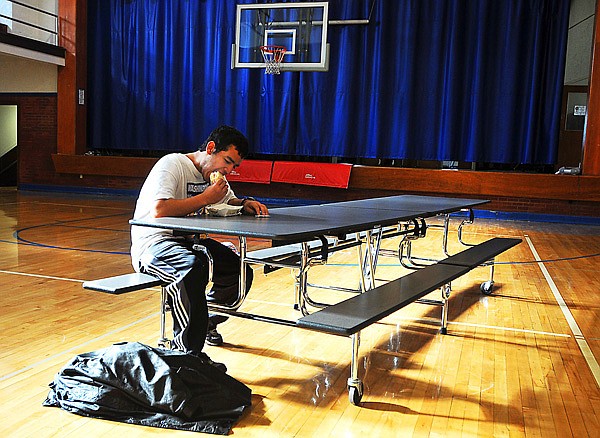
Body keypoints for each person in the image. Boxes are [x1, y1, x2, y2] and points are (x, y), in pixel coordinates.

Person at [130, 125, 269, 371]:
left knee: (239, 271)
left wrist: (244, 202)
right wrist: (206, 198)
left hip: (188, 243)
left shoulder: (214, 177)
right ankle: (185, 355)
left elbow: (228, 200)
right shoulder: (172, 164)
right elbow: (159, 210)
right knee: (191, 269)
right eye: (227, 161)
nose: (228, 171)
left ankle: (205, 323)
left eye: (234, 167)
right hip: (154, 243)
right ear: (211, 148)